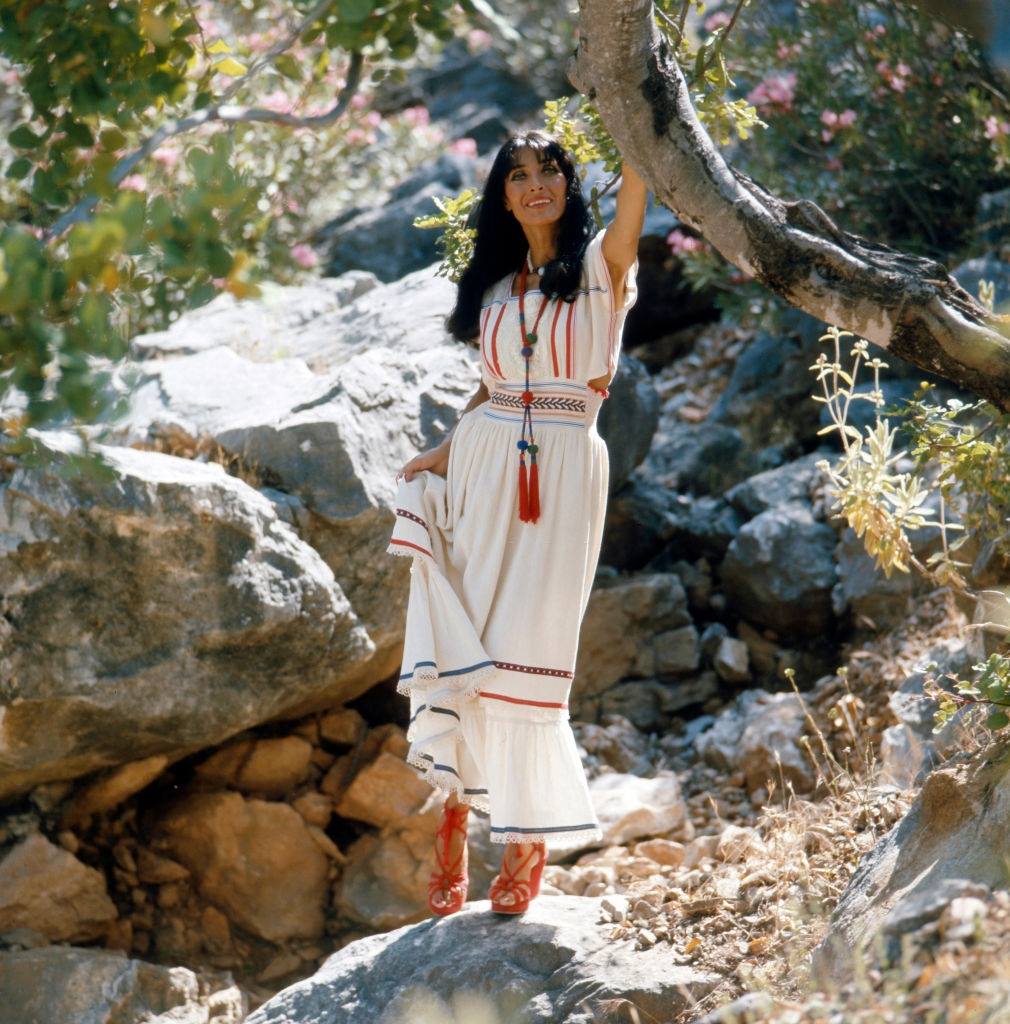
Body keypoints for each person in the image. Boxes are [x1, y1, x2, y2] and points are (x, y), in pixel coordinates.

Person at [388, 128, 647, 916]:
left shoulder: (605, 266)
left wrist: (641, 118)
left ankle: (525, 838)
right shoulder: (496, 286)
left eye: (551, 172)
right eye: (520, 175)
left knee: (529, 644)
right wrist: (443, 449)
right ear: (501, 195)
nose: (536, 185)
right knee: (469, 635)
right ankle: (458, 817)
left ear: (570, 185)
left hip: (566, 466)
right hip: (485, 458)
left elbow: (642, 186)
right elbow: (492, 384)